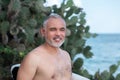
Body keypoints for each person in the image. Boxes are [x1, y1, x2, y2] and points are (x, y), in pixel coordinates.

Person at [17, 13, 72, 80]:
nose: (58, 33)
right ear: (43, 32)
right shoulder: (33, 58)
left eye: (62, 30)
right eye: (53, 29)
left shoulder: (66, 55)